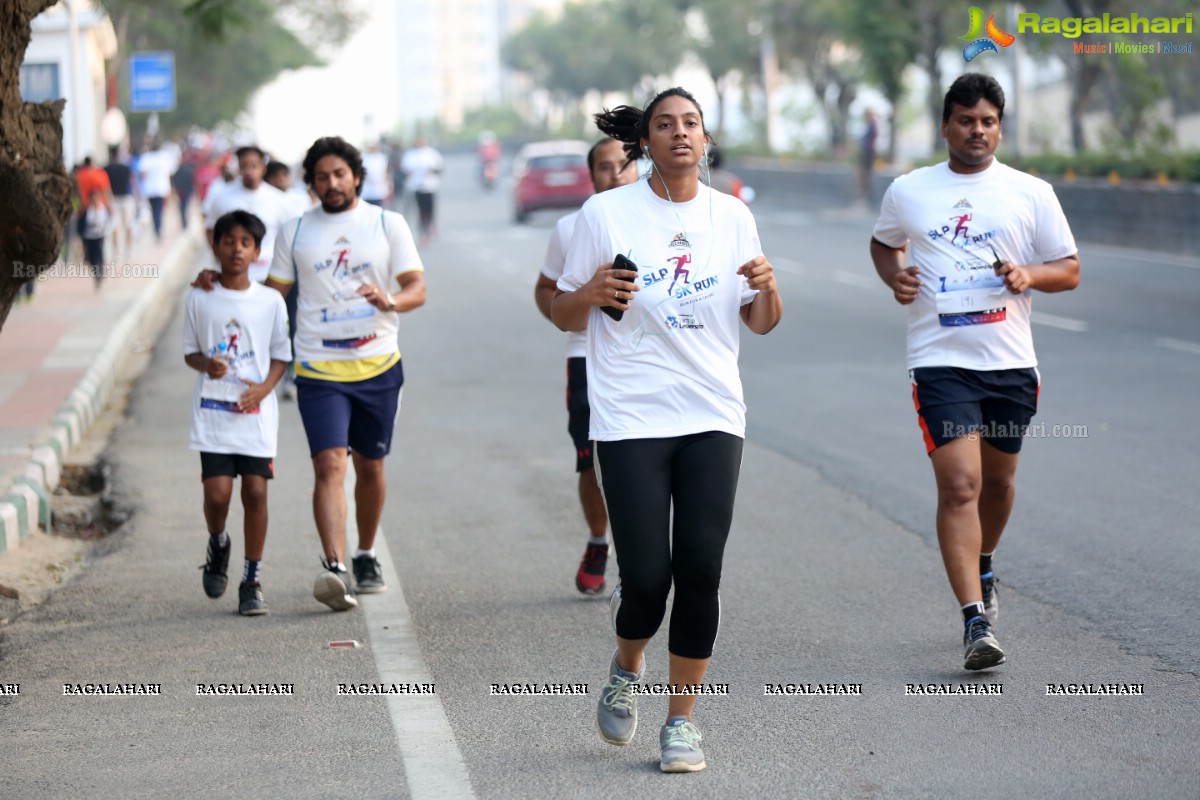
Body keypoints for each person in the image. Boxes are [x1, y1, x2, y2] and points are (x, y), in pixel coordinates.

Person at [552, 87, 782, 773]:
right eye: (665, 125)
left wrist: (769, 287)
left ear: (705, 139)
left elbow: (761, 321)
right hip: (630, 415)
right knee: (648, 579)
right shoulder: (605, 214)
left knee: (701, 567)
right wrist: (588, 296)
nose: (680, 134)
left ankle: (681, 723)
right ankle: (627, 667)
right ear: (644, 141)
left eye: (691, 124)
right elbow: (563, 311)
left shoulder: (732, 216)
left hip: (712, 411)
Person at [869, 73, 1080, 671]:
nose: (977, 130)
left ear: (999, 126)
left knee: (998, 484)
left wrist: (1029, 276)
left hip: (1010, 363)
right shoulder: (910, 190)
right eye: (966, 120)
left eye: (988, 120)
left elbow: (1069, 268)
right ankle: (974, 621)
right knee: (959, 483)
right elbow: (884, 244)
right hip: (940, 362)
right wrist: (895, 275)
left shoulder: (1029, 192)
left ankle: (985, 561)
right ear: (946, 126)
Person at [267, 136, 425, 611]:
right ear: (311, 184)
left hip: (378, 363)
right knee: (329, 463)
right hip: (317, 367)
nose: (331, 184)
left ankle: (365, 552)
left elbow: (416, 287)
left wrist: (390, 300)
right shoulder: (294, 230)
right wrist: (223, 290)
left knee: (370, 465)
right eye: (321, 177)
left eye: (339, 174)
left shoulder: (386, 223)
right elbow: (272, 294)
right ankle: (334, 568)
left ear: (356, 176)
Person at [534, 137, 639, 596]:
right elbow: (546, 290)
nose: (615, 174)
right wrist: (572, 313)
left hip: (646, 359)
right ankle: (600, 540)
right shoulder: (569, 227)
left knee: (643, 462)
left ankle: (637, 558)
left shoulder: (662, 220)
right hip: (587, 358)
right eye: (603, 166)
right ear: (590, 174)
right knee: (591, 465)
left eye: (624, 164)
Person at [184, 210, 291, 616]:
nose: (236, 249)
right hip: (213, 412)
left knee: (256, 491)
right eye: (229, 241)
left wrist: (264, 389)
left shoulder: (270, 301)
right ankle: (219, 541)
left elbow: (282, 356)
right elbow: (190, 352)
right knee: (217, 495)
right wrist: (204, 365)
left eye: (246, 243)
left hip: (256, 415)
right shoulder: (199, 296)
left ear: (257, 251)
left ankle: (252, 580)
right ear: (216, 245)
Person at [205, 146, 294, 284]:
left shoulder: (278, 200)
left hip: (267, 274)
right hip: (232, 276)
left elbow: (289, 236)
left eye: (253, 165)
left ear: (263, 168)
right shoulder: (222, 198)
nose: (248, 171)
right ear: (239, 168)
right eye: (244, 166)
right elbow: (210, 229)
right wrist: (219, 256)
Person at [400, 136, 443, 245]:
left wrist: (431, 171)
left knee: (430, 209)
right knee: (421, 210)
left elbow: (439, 168)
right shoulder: (410, 154)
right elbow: (404, 170)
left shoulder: (432, 153)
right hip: (416, 187)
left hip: (430, 186)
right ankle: (423, 231)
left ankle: (430, 225)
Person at [137, 138, 175, 240]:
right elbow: (170, 173)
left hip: (150, 189)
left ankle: (156, 229)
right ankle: (158, 229)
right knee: (158, 210)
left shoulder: (146, 158)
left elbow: (142, 173)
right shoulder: (164, 158)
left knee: (155, 210)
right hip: (161, 189)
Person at [104, 146, 137, 258]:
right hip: (127, 198)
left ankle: (116, 252)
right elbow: (132, 182)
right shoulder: (126, 168)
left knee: (115, 226)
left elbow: (106, 187)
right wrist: (137, 196)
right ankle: (129, 250)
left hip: (114, 199)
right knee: (129, 225)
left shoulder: (106, 169)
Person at [80, 189, 111, 287]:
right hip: (89, 237)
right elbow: (81, 224)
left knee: (99, 255)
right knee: (90, 258)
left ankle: (100, 272)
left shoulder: (103, 209)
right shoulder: (86, 210)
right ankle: (96, 272)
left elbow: (108, 221)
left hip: (99, 236)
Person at [360, 141, 391, 207]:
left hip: (378, 190)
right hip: (366, 191)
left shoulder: (382, 158)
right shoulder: (364, 157)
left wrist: (388, 187)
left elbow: (386, 173)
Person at [860, 109, 879, 200]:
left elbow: (874, 135)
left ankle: (867, 191)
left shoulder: (872, 124)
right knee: (866, 170)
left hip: (869, 150)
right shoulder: (870, 124)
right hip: (867, 150)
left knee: (867, 170)